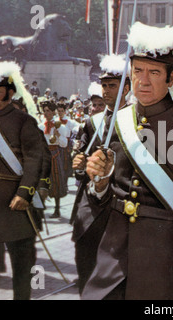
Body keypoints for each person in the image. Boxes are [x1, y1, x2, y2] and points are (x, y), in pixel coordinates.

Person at [81, 22, 173, 300]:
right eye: (138, 71)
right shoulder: (116, 122)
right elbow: (98, 197)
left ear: (171, 79)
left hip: (167, 253)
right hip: (113, 250)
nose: (143, 81)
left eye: (154, 73)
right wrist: (99, 182)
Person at [70, 54, 131, 294]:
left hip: (120, 202)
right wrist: (78, 162)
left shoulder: (138, 120)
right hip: (90, 202)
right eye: (104, 86)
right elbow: (81, 155)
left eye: (112, 86)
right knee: (85, 257)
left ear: (126, 88)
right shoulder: (92, 122)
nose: (106, 91)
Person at [0, 61, 48, 299]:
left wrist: (24, 193)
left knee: (21, 263)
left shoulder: (24, 121)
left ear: (10, 93)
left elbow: (35, 160)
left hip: (13, 203)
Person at [38, 100, 69, 218]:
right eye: (44, 111)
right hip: (43, 154)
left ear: (53, 112)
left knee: (55, 180)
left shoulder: (60, 126)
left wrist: (58, 135)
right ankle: (41, 207)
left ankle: (57, 209)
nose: (46, 113)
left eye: (48, 111)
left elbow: (64, 144)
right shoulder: (40, 126)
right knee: (42, 180)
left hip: (55, 154)